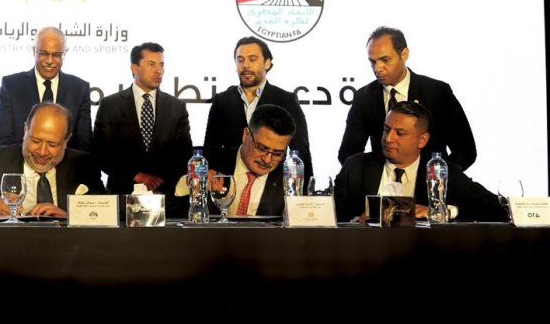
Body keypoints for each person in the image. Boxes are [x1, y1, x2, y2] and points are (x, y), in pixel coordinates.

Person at [334, 101, 505, 223]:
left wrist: (442, 212)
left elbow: (498, 209)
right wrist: (356, 222)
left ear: (422, 140)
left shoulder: (440, 171)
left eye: (400, 133)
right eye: (386, 130)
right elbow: (330, 216)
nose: (388, 138)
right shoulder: (355, 166)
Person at [338, 26, 477, 169]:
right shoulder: (364, 97)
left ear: (404, 54)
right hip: (383, 182)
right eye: (372, 61)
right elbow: (348, 153)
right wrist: (373, 179)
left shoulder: (437, 92)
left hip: (428, 181)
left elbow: (466, 151)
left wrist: (437, 178)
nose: (377, 68)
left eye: (385, 60)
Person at [0, 102, 104, 219]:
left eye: (52, 144)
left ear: (66, 140)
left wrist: (69, 217)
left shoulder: (83, 165)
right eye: (36, 141)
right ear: (25, 130)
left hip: (67, 252)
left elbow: (109, 214)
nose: (42, 152)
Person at [92, 42, 193, 218]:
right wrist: (136, 175)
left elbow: (184, 154)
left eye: (161, 65)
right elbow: (101, 154)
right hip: (121, 201)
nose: (159, 71)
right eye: (151, 64)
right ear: (134, 68)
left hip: (167, 202)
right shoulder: (110, 105)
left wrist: (158, 183)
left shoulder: (177, 107)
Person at [204, 36, 312, 179]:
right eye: (240, 60)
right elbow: (210, 150)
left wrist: (304, 191)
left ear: (267, 63)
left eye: (252, 59)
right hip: (232, 184)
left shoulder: (286, 100)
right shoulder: (222, 101)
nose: (245, 65)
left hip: (272, 187)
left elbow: (301, 153)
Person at [0, 26, 93, 151]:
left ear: (65, 53)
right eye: (43, 53)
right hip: (21, 163)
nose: (49, 61)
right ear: (34, 51)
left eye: (56, 55)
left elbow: (84, 146)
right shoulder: (11, 86)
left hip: (67, 163)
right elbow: (2, 144)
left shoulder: (79, 89)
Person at [208, 104, 296, 217]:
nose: (267, 160)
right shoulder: (208, 161)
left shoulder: (290, 181)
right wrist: (193, 183)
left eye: (277, 154)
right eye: (262, 148)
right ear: (246, 135)